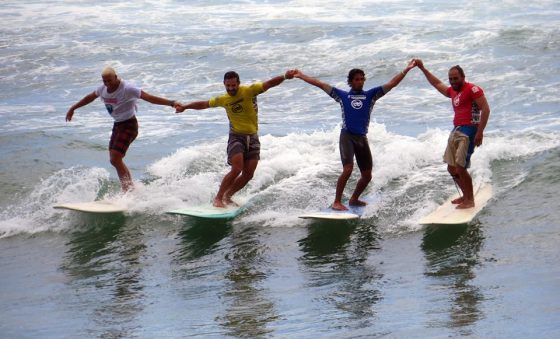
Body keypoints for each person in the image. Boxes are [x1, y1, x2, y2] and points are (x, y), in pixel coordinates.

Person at [293, 60, 417, 211]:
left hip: (361, 138)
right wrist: (301, 75)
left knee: (367, 175)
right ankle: (337, 201)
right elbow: (319, 83)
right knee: (348, 169)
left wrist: (407, 69)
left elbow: (392, 84)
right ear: (351, 82)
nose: (360, 82)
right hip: (347, 136)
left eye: (362, 79)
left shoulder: (371, 95)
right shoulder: (342, 96)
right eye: (357, 79)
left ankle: (354, 199)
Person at [175, 70, 296, 207]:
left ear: (238, 83)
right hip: (236, 137)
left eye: (233, 85)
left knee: (248, 174)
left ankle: (228, 196)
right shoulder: (223, 99)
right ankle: (218, 198)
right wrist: (185, 107)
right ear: (224, 84)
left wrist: (285, 76)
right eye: (228, 86)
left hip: (253, 137)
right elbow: (204, 104)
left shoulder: (250, 90)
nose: (231, 89)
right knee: (237, 168)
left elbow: (269, 84)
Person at [66, 67, 177, 192]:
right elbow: (89, 97)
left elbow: (149, 97)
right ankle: (130, 188)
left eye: (109, 80)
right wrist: (73, 108)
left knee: (115, 159)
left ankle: (127, 190)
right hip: (118, 125)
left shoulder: (127, 88)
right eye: (104, 81)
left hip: (129, 125)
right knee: (115, 160)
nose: (107, 84)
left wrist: (171, 103)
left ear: (116, 77)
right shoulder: (102, 89)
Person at [415, 59, 490, 208]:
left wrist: (480, 133)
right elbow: (437, 84)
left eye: (456, 78)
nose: (453, 81)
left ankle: (470, 200)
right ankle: (465, 196)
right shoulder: (453, 91)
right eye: (450, 79)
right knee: (451, 167)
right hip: (456, 130)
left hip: (469, 131)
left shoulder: (473, 89)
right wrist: (423, 68)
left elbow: (486, 109)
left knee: (461, 166)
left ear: (463, 77)